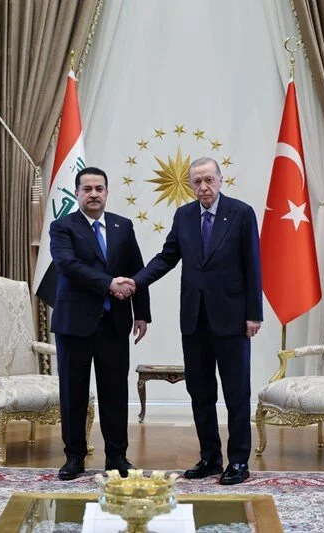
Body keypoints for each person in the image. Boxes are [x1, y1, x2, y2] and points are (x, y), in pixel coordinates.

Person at [132, 156, 262, 485]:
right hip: (194, 320)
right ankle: (210, 458)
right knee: (200, 392)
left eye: (208, 180)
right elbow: (167, 257)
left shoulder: (241, 213)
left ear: (220, 180)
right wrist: (136, 282)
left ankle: (239, 461)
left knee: (236, 393)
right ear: (190, 185)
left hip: (232, 319)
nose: (203, 187)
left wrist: (254, 314)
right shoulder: (184, 216)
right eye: (197, 182)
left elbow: (253, 265)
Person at [50, 166, 150, 480]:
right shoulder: (62, 226)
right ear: (77, 193)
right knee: (73, 393)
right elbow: (68, 266)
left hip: (114, 325)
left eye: (99, 189)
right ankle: (74, 457)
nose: (94, 194)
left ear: (107, 192)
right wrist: (109, 283)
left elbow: (136, 269)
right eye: (87, 189)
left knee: (115, 393)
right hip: (74, 325)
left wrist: (142, 313)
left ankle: (117, 457)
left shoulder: (123, 225)